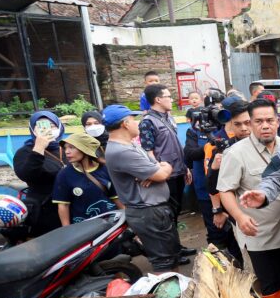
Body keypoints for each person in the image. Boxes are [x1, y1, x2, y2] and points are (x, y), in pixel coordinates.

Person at [218, 99, 280, 298]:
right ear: (250, 124)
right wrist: (240, 217)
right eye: (259, 121)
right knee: (269, 282)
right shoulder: (236, 153)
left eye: (270, 120)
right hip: (260, 232)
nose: (265, 125)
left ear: (278, 122)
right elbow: (225, 190)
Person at [104, 104, 188, 272]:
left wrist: (156, 170)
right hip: (147, 212)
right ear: (125, 124)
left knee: (171, 258)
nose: (138, 123)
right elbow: (161, 174)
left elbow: (156, 165)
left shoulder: (130, 145)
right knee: (164, 264)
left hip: (154, 210)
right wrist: (162, 169)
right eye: (133, 119)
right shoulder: (122, 151)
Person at [189, 99, 248, 265]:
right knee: (225, 244)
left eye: (248, 122)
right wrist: (217, 209)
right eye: (238, 123)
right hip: (230, 207)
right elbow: (212, 181)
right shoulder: (218, 144)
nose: (244, 128)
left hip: (252, 209)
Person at [139, 84, 194, 256]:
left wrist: (185, 167)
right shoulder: (148, 122)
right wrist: (156, 173)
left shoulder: (168, 118)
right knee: (167, 214)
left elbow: (176, 145)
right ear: (158, 99)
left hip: (178, 171)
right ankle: (172, 251)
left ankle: (176, 247)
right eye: (168, 96)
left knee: (176, 212)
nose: (171, 100)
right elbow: (148, 151)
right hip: (165, 175)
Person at [13, 111, 66, 239]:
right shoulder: (25, 152)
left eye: (52, 126)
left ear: (59, 127)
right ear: (33, 130)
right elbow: (27, 175)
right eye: (41, 126)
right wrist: (39, 148)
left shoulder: (66, 147)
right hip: (44, 210)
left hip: (70, 206)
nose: (48, 130)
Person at [53, 132, 121, 226]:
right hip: (84, 228)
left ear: (85, 149)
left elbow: (116, 198)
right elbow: (63, 205)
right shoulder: (64, 174)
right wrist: (67, 229)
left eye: (72, 147)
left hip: (111, 222)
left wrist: (127, 221)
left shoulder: (105, 168)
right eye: (65, 148)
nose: (67, 151)